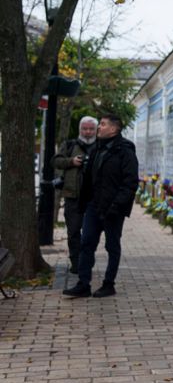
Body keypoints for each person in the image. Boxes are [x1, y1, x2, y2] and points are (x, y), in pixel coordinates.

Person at [64, 114, 139, 299]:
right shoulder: (97, 148)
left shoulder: (125, 150)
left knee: (112, 246)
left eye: (103, 125)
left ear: (113, 129)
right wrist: (85, 202)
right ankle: (83, 284)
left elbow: (130, 183)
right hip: (93, 206)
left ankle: (108, 284)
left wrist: (116, 205)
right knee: (86, 243)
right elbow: (90, 179)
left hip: (113, 209)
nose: (99, 128)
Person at [53, 115, 98, 273]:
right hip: (72, 196)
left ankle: (87, 262)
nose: (87, 132)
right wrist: (71, 162)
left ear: (96, 130)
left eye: (91, 129)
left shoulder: (100, 146)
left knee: (90, 233)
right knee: (73, 232)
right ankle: (76, 263)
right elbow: (56, 161)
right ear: (80, 129)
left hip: (93, 198)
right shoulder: (70, 145)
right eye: (84, 129)